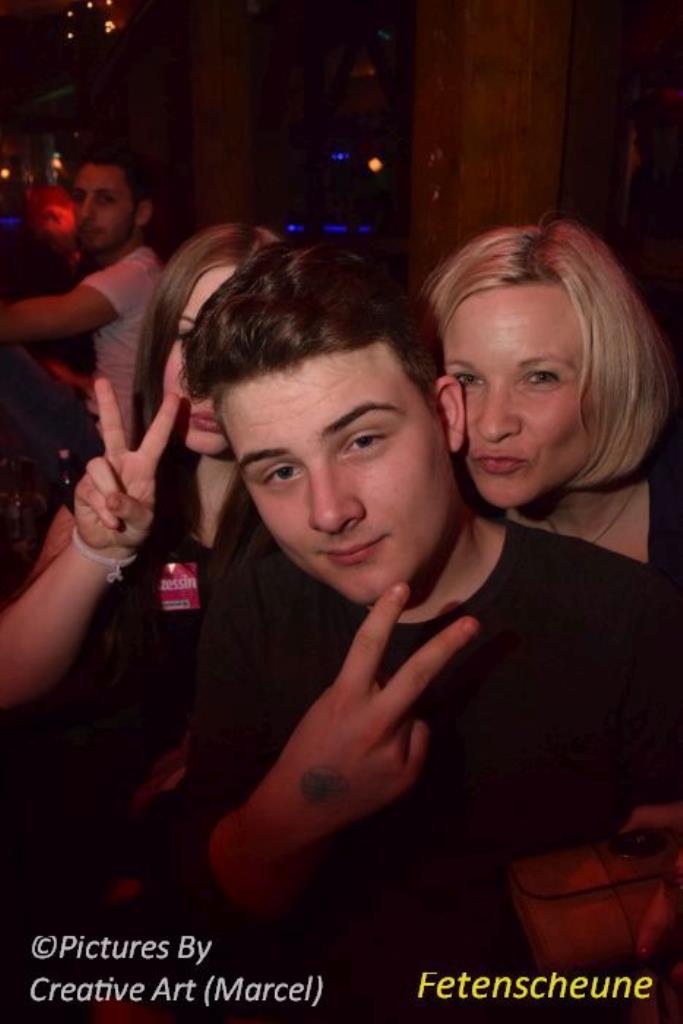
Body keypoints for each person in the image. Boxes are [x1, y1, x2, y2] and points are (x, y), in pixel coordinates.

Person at [177, 244, 683, 1022]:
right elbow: (204, 932)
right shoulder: (255, 607)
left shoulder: (626, 616)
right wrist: (296, 809)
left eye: (362, 440)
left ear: (445, 415)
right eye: (279, 471)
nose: (328, 511)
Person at [0, 224, 277, 987]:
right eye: (190, 335)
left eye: (244, 337)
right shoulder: (116, 489)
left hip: (222, 863)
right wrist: (98, 552)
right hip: (73, 845)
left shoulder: (314, 515)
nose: (209, 371)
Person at [426, 219, 683, 589]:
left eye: (540, 378)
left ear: (616, 380)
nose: (493, 426)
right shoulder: (432, 538)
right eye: (468, 379)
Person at [0, 142, 160, 478]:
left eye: (105, 199)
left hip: (105, 447)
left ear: (142, 213)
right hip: (100, 428)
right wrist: (73, 378)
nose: (85, 212)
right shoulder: (139, 270)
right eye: (79, 197)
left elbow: (10, 323)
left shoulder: (130, 276)